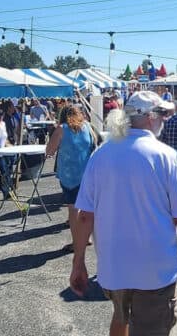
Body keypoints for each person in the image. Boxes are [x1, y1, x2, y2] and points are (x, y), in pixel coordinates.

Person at [70, 91, 177, 336]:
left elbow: (84, 216)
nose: (165, 119)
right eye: (162, 113)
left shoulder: (101, 155)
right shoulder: (167, 157)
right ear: (150, 117)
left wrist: (78, 263)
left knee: (120, 318)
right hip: (155, 271)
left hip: (113, 268)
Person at [46, 104, 97, 252]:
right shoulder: (88, 126)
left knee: (73, 211)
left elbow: (49, 151)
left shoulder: (62, 129)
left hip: (70, 176)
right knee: (86, 209)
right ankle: (86, 237)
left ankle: (77, 243)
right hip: (87, 174)